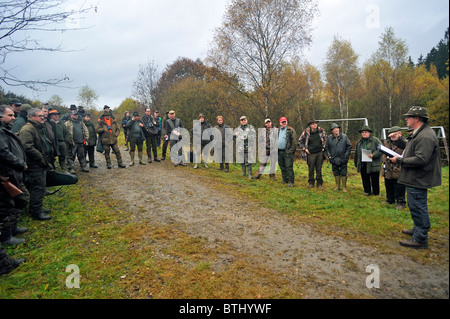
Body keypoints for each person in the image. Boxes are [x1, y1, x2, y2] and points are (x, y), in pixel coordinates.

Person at [390, 106, 442, 249]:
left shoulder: (425, 136)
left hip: (418, 178)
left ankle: (420, 238)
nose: (406, 119)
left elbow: (421, 159)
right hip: (415, 177)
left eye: (409, 117)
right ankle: (418, 229)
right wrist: (398, 142)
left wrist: (399, 160)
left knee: (418, 206)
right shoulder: (419, 133)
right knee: (415, 205)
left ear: (417, 118)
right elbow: (411, 149)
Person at [0, 105, 30, 246]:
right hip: (6, 175)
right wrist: (20, 163)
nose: (13, 117)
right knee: (7, 205)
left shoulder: (4, 130)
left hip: (11, 173)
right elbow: (4, 153)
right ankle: (6, 237)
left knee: (16, 201)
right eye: (10, 115)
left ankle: (13, 228)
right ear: (1, 116)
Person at [19, 108, 53, 220]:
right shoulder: (27, 129)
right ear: (32, 117)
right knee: (37, 187)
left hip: (39, 163)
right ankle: (36, 212)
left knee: (40, 187)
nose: (42, 118)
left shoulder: (37, 127)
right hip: (34, 164)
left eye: (43, 116)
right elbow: (27, 147)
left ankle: (38, 208)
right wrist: (40, 158)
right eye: (40, 116)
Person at [381, 126, 407, 210]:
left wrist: (397, 160)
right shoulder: (388, 142)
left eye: (394, 135)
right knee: (388, 184)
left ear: (399, 134)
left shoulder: (405, 143)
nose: (392, 137)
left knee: (399, 186)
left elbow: (406, 154)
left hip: (399, 168)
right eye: (391, 135)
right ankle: (390, 199)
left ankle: (401, 202)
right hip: (388, 167)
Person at [298, 120, 327, 189]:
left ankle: (319, 183)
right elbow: (300, 141)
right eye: (313, 124)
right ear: (310, 125)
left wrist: (324, 147)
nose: (314, 125)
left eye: (315, 124)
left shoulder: (321, 131)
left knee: (319, 168)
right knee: (311, 168)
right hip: (310, 153)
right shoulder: (306, 132)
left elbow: (326, 139)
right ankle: (311, 182)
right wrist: (305, 149)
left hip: (320, 152)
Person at [354, 125, 382, 196]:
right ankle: (367, 191)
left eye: (366, 132)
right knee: (365, 178)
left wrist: (373, 155)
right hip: (363, 163)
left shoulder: (375, 140)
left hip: (373, 163)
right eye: (363, 132)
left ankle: (376, 192)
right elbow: (356, 153)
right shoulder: (359, 142)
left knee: (374, 178)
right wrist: (356, 162)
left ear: (369, 133)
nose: (364, 133)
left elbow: (381, 149)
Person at [324, 123, 352, 192]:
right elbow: (326, 148)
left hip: (343, 158)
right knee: (335, 172)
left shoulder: (345, 137)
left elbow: (349, 146)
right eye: (334, 129)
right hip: (333, 158)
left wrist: (346, 155)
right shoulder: (329, 138)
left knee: (343, 172)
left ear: (339, 129)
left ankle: (344, 187)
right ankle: (337, 186)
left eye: (337, 128)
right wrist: (329, 156)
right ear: (332, 131)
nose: (336, 130)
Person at [277, 117, 297, 187]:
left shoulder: (290, 130)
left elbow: (294, 142)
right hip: (279, 152)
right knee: (282, 166)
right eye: (282, 122)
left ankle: (291, 181)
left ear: (287, 122)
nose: (284, 123)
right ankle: (285, 180)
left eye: (285, 121)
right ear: (280, 123)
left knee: (289, 167)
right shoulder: (278, 131)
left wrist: (290, 151)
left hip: (287, 152)